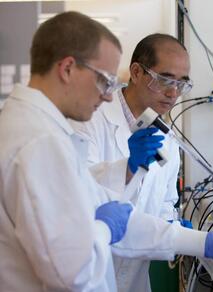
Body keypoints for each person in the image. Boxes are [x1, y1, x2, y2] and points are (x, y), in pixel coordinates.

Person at [0, 11, 213, 292]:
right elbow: (74, 270)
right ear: (68, 69)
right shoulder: (38, 141)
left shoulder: (38, 129)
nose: (109, 94)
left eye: (181, 84)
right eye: (104, 80)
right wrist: (107, 228)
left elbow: (118, 214)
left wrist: (202, 242)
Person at [71, 33, 193, 292]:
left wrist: (175, 226)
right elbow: (74, 192)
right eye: (164, 80)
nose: (173, 94)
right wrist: (127, 168)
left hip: (135, 281)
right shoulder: (89, 120)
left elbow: (163, 205)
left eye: (182, 84)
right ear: (136, 72)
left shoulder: (167, 140)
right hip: (87, 276)